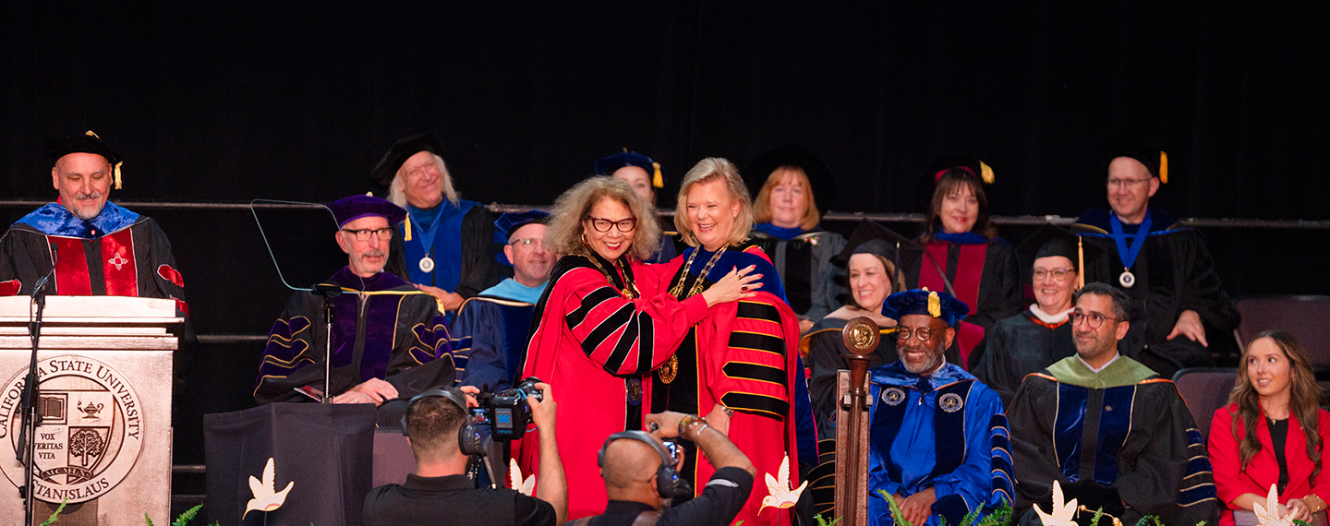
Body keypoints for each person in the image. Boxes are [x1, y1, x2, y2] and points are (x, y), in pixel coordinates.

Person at [516, 176, 759, 520]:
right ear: (583, 225)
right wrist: (708, 298)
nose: (614, 234)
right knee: (586, 514)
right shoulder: (578, 280)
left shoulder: (621, 270)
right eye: (603, 222)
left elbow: (669, 277)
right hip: (581, 430)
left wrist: (720, 248)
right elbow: (632, 347)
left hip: (609, 425)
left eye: (624, 223)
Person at [652, 157, 809, 526]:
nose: (701, 216)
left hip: (725, 420)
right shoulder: (683, 264)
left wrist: (725, 411)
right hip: (677, 418)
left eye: (712, 205)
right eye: (693, 206)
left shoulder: (751, 268)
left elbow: (756, 363)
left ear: (736, 207)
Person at [1007, 283, 1217, 526]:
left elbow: (1163, 465)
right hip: (1051, 511)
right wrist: (1063, 495)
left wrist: (1118, 497)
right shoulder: (1041, 386)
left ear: (1121, 329)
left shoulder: (1154, 391)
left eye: (1095, 318)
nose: (1082, 327)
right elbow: (1022, 454)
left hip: (1126, 513)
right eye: (1078, 316)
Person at [253, 195, 455, 405]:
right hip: (325, 413)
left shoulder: (417, 302)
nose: (375, 244)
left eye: (383, 232)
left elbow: (433, 371)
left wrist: (377, 392)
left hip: (390, 412)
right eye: (364, 233)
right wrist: (352, 389)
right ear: (343, 241)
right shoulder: (311, 300)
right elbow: (282, 377)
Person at [1071, 134, 1241, 379]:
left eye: (1131, 182)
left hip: (1166, 353)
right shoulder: (1084, 235)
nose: (1121, 191)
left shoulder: (1179, 238)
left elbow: (1212, 295)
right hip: (1101, 349)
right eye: (1115, 181)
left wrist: (1194, 313)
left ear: (1152, 186)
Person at [866, 289, 1009, 526]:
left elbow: (982, 467)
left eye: (924, 333)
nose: (912, 342)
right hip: (881, 501)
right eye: (904, 332)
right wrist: (892, 496)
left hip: (942, 501)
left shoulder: (977, 398)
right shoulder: (872, 386)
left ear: (948, 338)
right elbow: (852, 449)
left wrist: (931, 496)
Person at [0, 131, 188, 309]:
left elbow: (169, 312)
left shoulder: (141, 232)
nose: (88, 190)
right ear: (56, 178)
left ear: (110, 175)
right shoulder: (25, 237)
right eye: (75, 178)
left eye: (97, 177)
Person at [804, 220, 915, 517]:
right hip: (852, 442)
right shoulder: (832, 329)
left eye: (870, 273)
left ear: (892, 276)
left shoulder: (914, 330)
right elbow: (827, 396)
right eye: (854, 274)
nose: (860, 282)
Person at [362, 383, 567, 526]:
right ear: (468, 439)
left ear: (409, 439)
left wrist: (443, 402)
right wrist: (547, 429)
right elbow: (556, 512)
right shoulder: (503, 509)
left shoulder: (378, 506)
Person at [371, 130, 504, 313]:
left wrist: (457, 300)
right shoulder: (389, 228)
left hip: (463, 325)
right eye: (414, 172)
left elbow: (489, 272)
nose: (427, 176)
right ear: (401, 185)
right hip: (408, 325)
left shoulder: (474, 217)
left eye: (430, 165)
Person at [1210, 330, 1330, 526]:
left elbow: (1328, 481)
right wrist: (1272, 509)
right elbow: (1225, 482)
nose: (1260, 369)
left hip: (1306, 520)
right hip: (1250, 518)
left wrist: (1307, 504)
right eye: (1253, 361)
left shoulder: (1322, 421)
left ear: (1293, 370)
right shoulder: (1227, 419)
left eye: (1271, 360)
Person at [911, 157, 1021, 368]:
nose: (963, 208)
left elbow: (1007, 315)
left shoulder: (999, 254)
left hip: (980, 366)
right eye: (953, 198)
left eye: (972, 200)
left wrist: (956, 330)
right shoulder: (916, 253)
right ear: (937, 205)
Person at [971, 225, 1087, 406]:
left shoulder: (1091, 330)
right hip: (1018, 423)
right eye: (1040, 272)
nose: (1048, 281)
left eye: (1059, 273)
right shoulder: (1006, 331)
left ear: (1077, 280)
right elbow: (989, 390)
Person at [575, 411, 758, 526]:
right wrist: (689, 424)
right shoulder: (682, 522)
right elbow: (740, 468)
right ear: (663, 482)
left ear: (603, 472)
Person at [746, 145, 847, 333]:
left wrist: (809, 326)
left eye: (797, 191)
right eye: (779, 189)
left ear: (808, 200)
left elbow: (838, 301)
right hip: (754, 334)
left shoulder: (831, 245)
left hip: (814, 336)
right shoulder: (744, 244)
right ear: (766, 197)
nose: (787, 198)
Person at [452, 211, 554, 391]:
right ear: (509, 253)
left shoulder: (570, 303)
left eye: (548, 243)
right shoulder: (482, 307)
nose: (539, 251)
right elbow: (477, 371)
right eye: (528, 242)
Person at [595, 150, 678, 263]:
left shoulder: (670, 236)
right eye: (622, 184)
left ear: (651, 194)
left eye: (640, 185)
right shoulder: (594, 232)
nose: (631, 191)